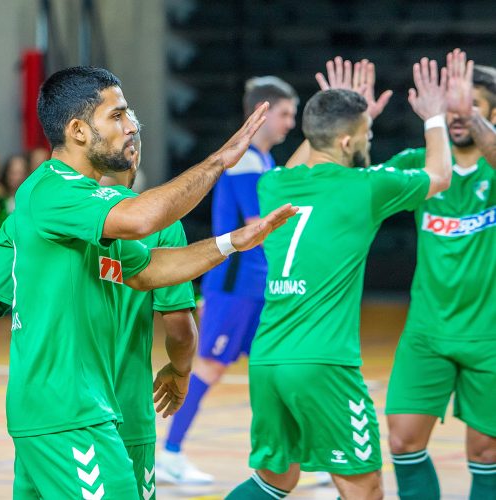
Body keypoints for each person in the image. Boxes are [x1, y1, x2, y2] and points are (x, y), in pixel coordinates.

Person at [0, 65, 296, 499]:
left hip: (79, 408)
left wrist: (233, 241)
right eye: (116, 116)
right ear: (78, 130)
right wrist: (218, 161)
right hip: (66, 409)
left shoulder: (87, 210)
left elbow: (149, 271)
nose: (130, 125)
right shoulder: (51, 190)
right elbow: (144, 218)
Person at [226, 57, 452, 500]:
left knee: (275, 480)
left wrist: (335, 108)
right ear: (347, 140)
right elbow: (441, 175)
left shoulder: (274, 185)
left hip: (269, 359)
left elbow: (311, 150)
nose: (370, 137)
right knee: (364, 487)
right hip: (325, 363)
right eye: (367, 131)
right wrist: (435, 116)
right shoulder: (365, 187)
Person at [157, 76, 299, 483]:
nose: (291, 123)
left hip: (257, 286)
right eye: (286, 114)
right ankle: (169, 452)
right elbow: (257, 225)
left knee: (275, 368)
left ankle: (289, 454)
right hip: (237, 286)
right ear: (265, 114)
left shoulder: (265, 162)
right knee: (211, 367)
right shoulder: (248, 163)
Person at [383, 53, 496, 500]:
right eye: (449, 109)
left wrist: (475, 119)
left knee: (487, 453)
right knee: (402, 440)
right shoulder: (419, 164)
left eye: (469, 106)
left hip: (488, 337)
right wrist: (357, 130)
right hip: (427, 332)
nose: (457, 117)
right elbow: (347, 187)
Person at [99, 109, 199, 499]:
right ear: (134, 158)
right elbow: (179, 328)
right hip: (122, 408)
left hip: (48, 412)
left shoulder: (46, 213)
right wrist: (180, 369)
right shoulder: (161, 225)